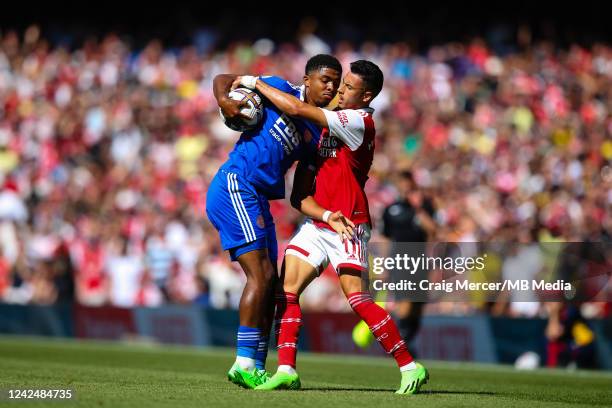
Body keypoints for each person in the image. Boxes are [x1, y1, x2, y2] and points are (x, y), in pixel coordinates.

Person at [235, 60, 429, 394]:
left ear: (366, 95)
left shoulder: (358, 121)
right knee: (287, 290)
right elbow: (299, 198)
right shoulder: (322, 133)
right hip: (322, 222)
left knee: (358, 298)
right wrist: (324, 215)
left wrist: (256, 83)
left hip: (350, 223)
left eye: (348, 87)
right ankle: (286, 369)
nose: (339, 91)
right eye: (339, 86)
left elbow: (296, 106)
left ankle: (411, 366)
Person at [206, 55, 342, 389]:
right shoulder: (278, 88)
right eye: (324, 79)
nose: (330, 87)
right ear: (307, 80)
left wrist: (326, 210)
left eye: (335, 83)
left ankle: (255, 365)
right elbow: (225, 77)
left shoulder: (316, 131)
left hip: (259, 198)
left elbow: (299, 195)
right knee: (262, 275)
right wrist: (225, 100)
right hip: (237, 183)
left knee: (272, 286)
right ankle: (242, 363)